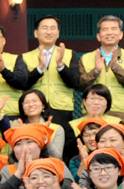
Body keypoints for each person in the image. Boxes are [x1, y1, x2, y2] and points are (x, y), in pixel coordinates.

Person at [24, 16, 79, 151]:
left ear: (58, 33)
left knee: (63, 148)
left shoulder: (69, 54)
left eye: (53, 28)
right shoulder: (25, 57)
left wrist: (60, 65)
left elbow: (75, 82)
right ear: (36, 33)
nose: (49, 32)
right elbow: (24, 84)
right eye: (45, 28)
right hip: (35, 109)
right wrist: (39, 68)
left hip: (61, 108)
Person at [78, 16, 124, 119]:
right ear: (98, 36)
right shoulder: (85, 58)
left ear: (121, 34)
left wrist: (115, 67)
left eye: (114, 29)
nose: (109, 33)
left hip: (121, 112)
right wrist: (95, 71)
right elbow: (80, 85)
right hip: (92, 112)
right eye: (105, 29)